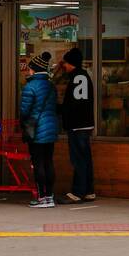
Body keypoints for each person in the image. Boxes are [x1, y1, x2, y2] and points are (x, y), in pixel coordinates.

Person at [20, 51, 60, 207]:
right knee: (48, 162)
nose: (28, 71)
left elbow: (24, 111)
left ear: (34, 70)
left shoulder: (30, 87)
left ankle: (41, 198)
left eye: (30, 68)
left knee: (38, 164)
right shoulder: (51, 86)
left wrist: (23, 124)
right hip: (50, 130)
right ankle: (50, 196)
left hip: (36, 131)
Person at [58, 47, 96, 201]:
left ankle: (78, 191)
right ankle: (88, 190)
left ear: (71, 63)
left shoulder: (76, 77)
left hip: (77, 124)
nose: (64, 66)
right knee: (86, 158)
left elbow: (72, 103)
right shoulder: (85, 76)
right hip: (86, 123)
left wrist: (60, 110)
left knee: (78, 158)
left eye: (66, 63)